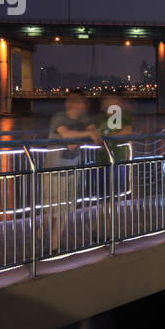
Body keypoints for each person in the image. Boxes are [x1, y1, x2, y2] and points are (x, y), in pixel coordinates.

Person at [43, 90, 100, 251]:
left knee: (64, 208)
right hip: (54, 170)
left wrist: (88, 133)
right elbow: (66, 134)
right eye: (81, 103)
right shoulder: (59, 118)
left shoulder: (83, 119)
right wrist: (85, 133)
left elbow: (95, 131)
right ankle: (41, 230)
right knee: (52, 209)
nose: (85, 106)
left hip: (72, 169)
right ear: (72, 104)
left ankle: (54, 245)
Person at [95, 93, 136, 197]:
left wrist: (107, 139)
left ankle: (115, 212)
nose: (108, 102)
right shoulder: (99, 117)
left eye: (112, 99)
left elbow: (128, 130)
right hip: (101, 159)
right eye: (106, 99)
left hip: (119, 159)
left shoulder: (123, 116)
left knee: (117, 192)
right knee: (102, 193)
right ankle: (103, 212)